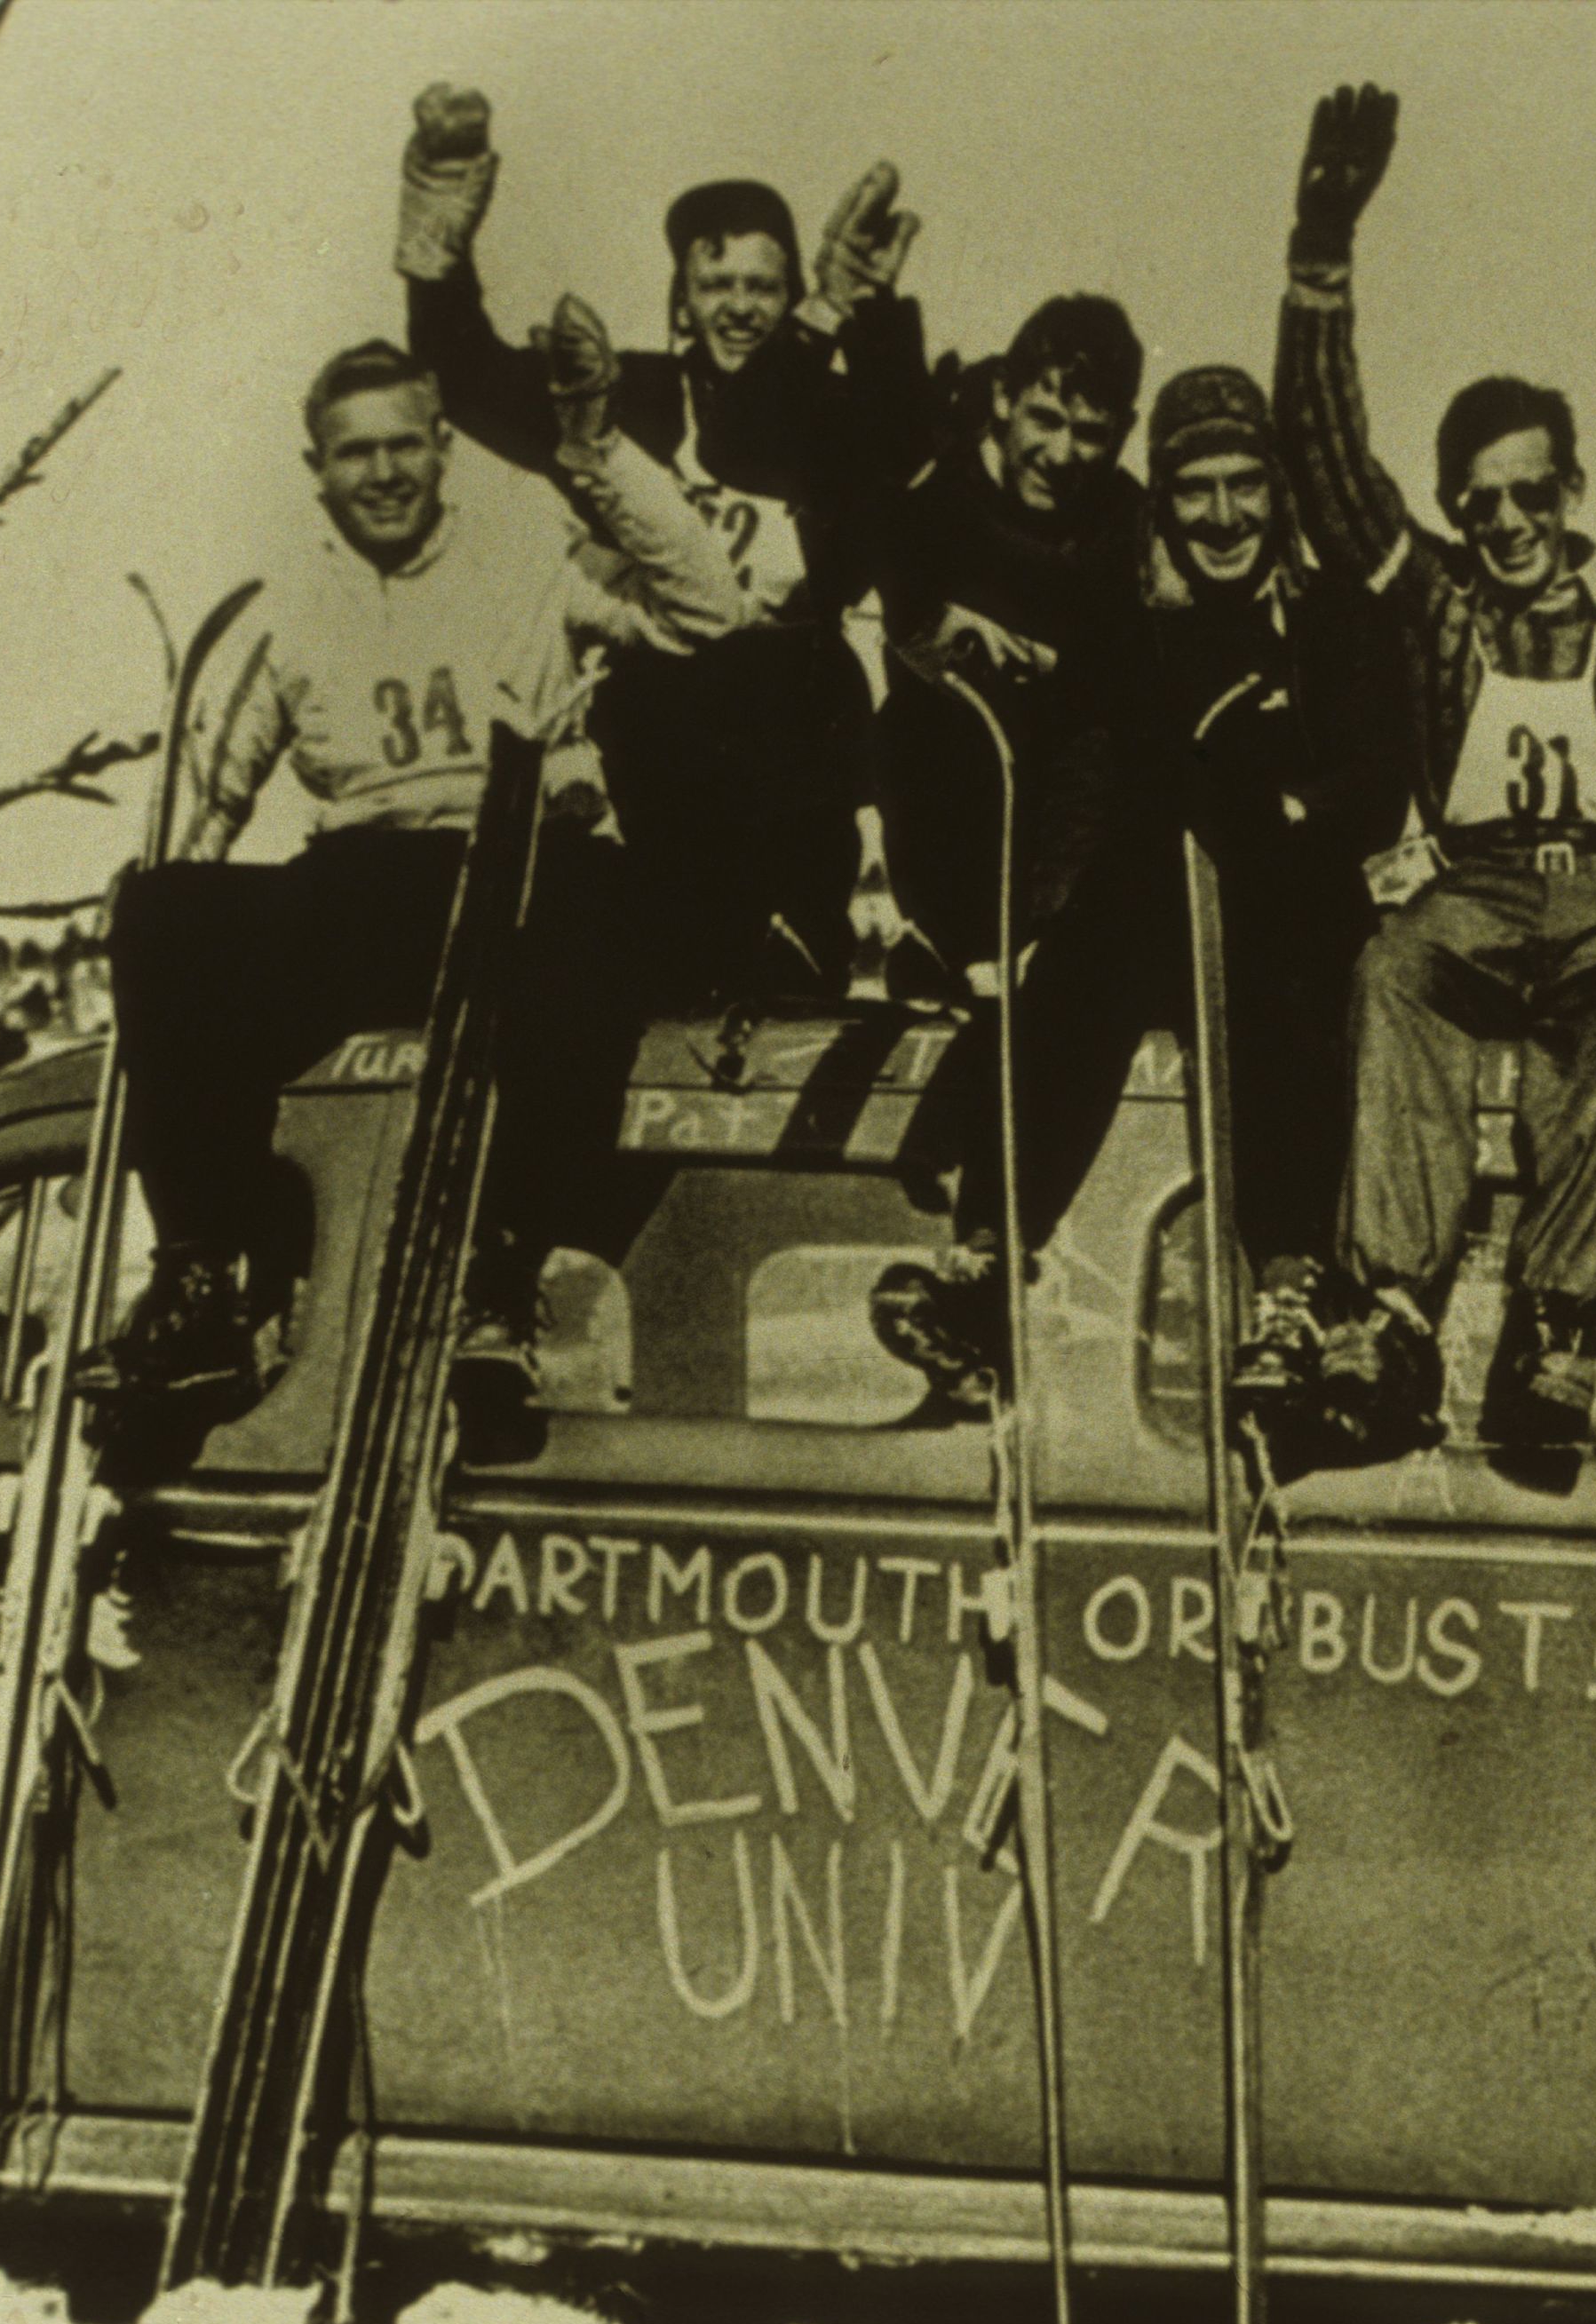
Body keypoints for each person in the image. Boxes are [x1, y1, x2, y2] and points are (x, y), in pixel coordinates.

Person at [74, 313, 742, 1424]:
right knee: (162, 905)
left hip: (515, 870)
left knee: (589, 900)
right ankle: (198, 1285)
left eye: (402, 445)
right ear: (317, 470)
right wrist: (169, 955)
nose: (382, 472)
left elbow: (707, 609)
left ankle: (501, 1277)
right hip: (367, 886)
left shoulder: (531, 554)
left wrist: (594, 444)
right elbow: (208, 797)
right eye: (354, 452)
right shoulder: (286, 607)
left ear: (441, 447)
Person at [1268, 84, 1596, 1463]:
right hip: (1469, 886)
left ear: (1573, 491)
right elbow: (1332, 472)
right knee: (1391, 969)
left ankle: (1559, 1323)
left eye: (1531, 496)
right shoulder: (1441, 604)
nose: (1508, 522)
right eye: (1481, 502)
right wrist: (1319, 262)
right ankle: (1391, 1312)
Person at [396, 83, 913, 1007]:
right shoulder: (624, 396)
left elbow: (900, 444)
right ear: (682, 299)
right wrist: (438, 234)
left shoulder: (828, 414)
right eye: (718, 285)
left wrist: (859, 315)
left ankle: (798, 956)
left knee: (797, 682)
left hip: (796, 735)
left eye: (764, 286)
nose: (741, 309)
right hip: (660, 730)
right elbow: (465, 379)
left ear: (795, 295)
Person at [849, 292, 1162, 1416]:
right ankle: (962, 952)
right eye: (1045, 419)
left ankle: (981, 1265)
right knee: (925, 721)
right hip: (942, 806)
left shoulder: (1120, 520)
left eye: (1092, 432)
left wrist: (1048, 917)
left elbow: (1105, 736)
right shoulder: (937, 484)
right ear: (1000, 399)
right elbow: (877, 519)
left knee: (1110, 780)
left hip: (1053, 830)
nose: (1063, 453)